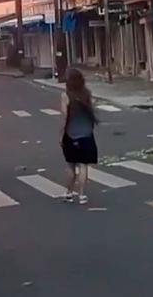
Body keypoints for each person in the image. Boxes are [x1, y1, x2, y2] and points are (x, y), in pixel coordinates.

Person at [59, 68, 99, 205]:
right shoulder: (86, 94)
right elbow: (91, 111)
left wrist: (61, 133)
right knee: (83, 166)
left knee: (71, 166)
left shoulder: (66, 96)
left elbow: (65, 116)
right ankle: (82, 195)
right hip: (87, 134)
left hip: (71, 134)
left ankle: (69, 193)